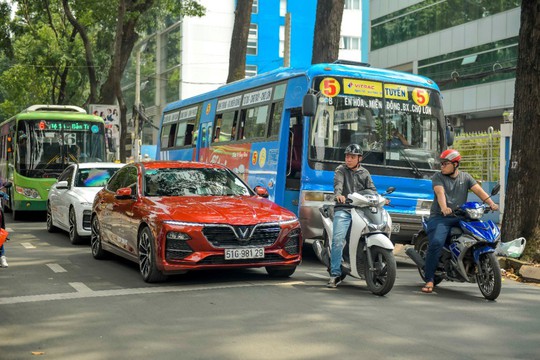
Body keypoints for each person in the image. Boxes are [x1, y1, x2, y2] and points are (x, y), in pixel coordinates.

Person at [422, 149, 498, 293]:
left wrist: (491, 203)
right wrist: (444, 208)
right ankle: (429, 279)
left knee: (478, 234)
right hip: (440, 217)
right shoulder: (438, 177)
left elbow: (479, 191)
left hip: (461, 216)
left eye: (445, 163)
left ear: (455, 164)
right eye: (441, 163)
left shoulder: (466, 177)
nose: (442, 166)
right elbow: (440, 193)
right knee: (437, 243)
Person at [327, 144, 377, 288]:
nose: (348, 159)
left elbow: (372, 190)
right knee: (338, 240)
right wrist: (339, 196)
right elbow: (338, 186)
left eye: (352, 157)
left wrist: (380, 198)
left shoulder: (365, 173)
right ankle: (335, 274)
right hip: (344, 209)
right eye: (347, 156)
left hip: (361, 210)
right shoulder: (340, 170)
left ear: (359, 158)